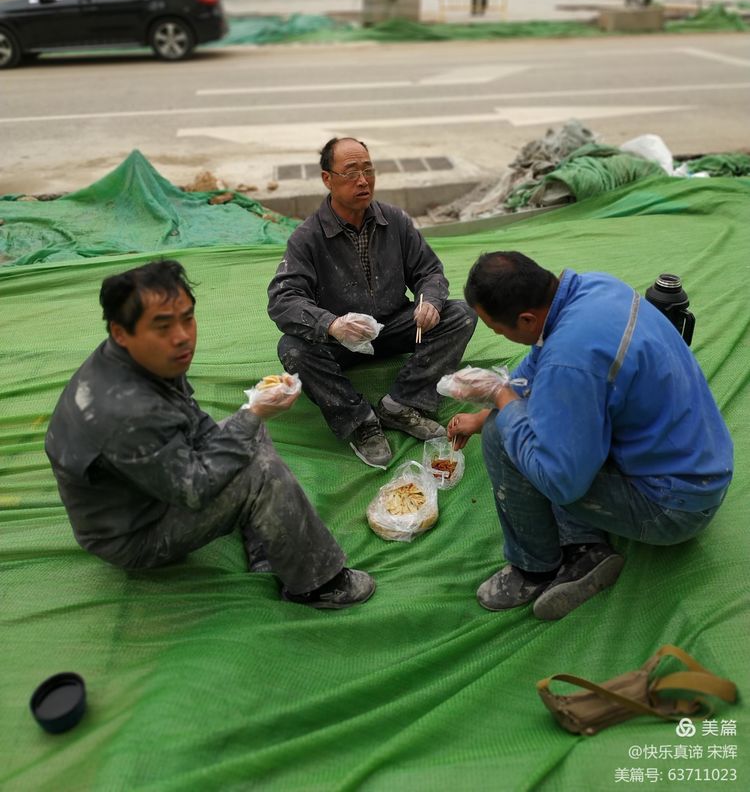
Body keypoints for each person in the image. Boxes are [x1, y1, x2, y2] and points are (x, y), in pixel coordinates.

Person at [45, 259, 375, 611]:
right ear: (121, 332)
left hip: (146, 492)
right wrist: (253, 415)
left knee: (245, 431)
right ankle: (318, 584)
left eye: (186, 318)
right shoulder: (125, 411)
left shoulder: (138, 358)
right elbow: (193, 490)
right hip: (135, 534)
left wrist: (249, 419)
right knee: (258, 468)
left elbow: (193, 422)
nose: (181, 337)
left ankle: (265, 539)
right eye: (161, 326)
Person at [446, 251, 733, 621]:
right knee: (511, 415)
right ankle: (585, 549)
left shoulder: (571, 360)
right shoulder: (594, 288)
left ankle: (534, 567)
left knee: (505, 434)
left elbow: (559, 482)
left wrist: (502, 399)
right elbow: (539, 365)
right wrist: (488, 407)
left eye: (498, 330)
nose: (498, 335)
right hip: (702, 467)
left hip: (672, 507)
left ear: (527, 319)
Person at [267, 137, 477, 469]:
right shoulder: (308, 237)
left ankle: (402, 403)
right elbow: (282, 299)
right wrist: (331, 325)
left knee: (460, 314)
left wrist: (430, 301)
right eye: (351, 172)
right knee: (293, 349)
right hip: (342, 339)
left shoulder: (394, 221)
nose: (363, 181)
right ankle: (361, 422)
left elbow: (429, 271)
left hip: (394, 324)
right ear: (327, 179)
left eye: (368, 170)